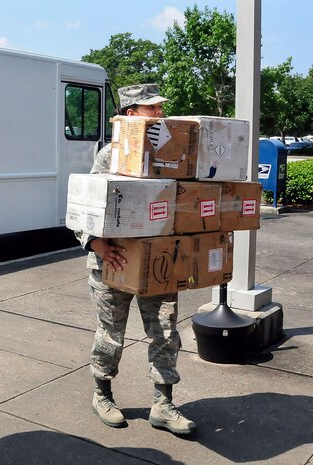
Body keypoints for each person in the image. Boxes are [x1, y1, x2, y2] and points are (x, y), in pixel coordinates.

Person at [74, 83, 196, 435]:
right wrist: (95, 244)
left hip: (158, 262)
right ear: (131, 115)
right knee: (111, 333)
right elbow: (84, 209)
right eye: (151, 109)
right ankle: (102, 393)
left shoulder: (169, 155)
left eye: (160, 108)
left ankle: (163, 403)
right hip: (113, 261)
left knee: (166, 331)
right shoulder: (108, 156)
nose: (160, 114)